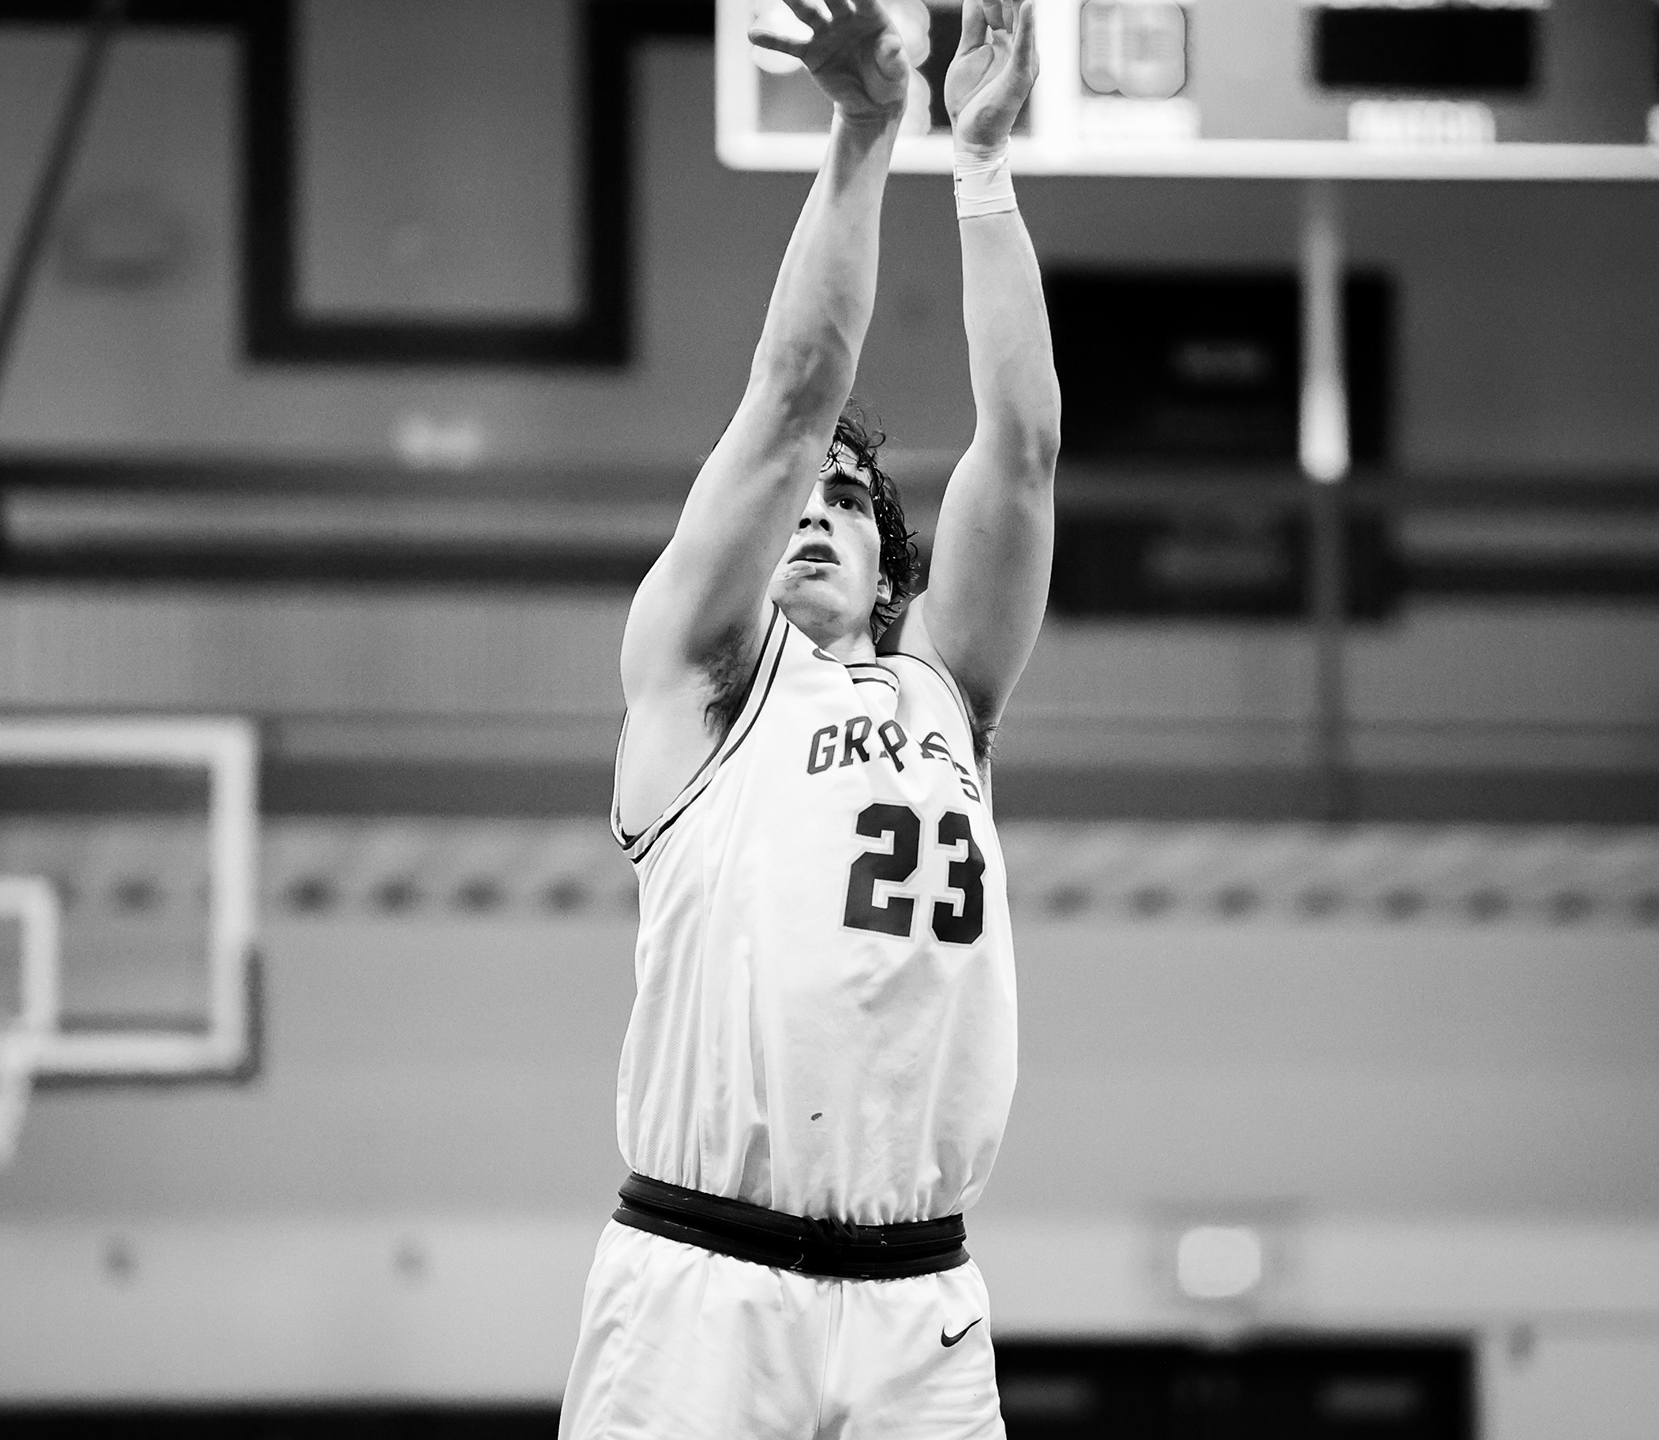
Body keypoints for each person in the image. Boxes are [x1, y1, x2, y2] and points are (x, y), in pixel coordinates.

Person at [560, 1, 1058, 1434]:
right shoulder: (703, 674)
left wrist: (982, 163)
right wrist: (863, 132)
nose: (816, 510)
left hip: (922, 1301)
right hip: (706, 1285)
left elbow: (1020, 454)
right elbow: (793, 396)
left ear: (893, 566)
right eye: (801, 496)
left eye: (851, 500)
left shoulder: (943, 690)